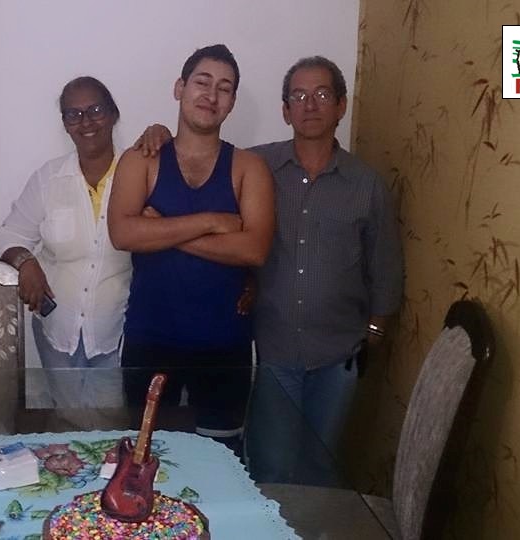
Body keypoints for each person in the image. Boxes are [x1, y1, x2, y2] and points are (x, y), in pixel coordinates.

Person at [136, 56, 403, 472]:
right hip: (272, 347)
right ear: (285, 110)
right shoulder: (256, 167)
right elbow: (197, 150)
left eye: (322, 94)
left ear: (341, 106)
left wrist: (374, 333)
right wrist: (159, 133)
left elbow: (385, 264)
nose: (309, 104)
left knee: (323, 464)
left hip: (340, 352)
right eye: (298, 95)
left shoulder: (366, 184)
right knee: (271, 466)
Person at [108, 44, 275, 438]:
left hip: (225, 345)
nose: (211, 95)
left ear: (232, 102)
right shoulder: (141, 159)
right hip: (150, 340)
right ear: (179, 88)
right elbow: (122, 233)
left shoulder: (249, 168)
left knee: (221, 461)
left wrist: (163, 230)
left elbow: (254, 249)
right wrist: (211, 222)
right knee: (149, 458)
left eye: (224, 88)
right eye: (202, 82)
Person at [0, 76, 131, 408]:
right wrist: (25, 262)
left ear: (113, 114)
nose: (86, 122)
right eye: (73, 114)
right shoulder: (48, 179)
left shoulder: (136, 174)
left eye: (95, 110)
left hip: (117, 333)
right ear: (65, 124)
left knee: (112, 425)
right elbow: (7, 235)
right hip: (58, 329)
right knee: (67, 421)